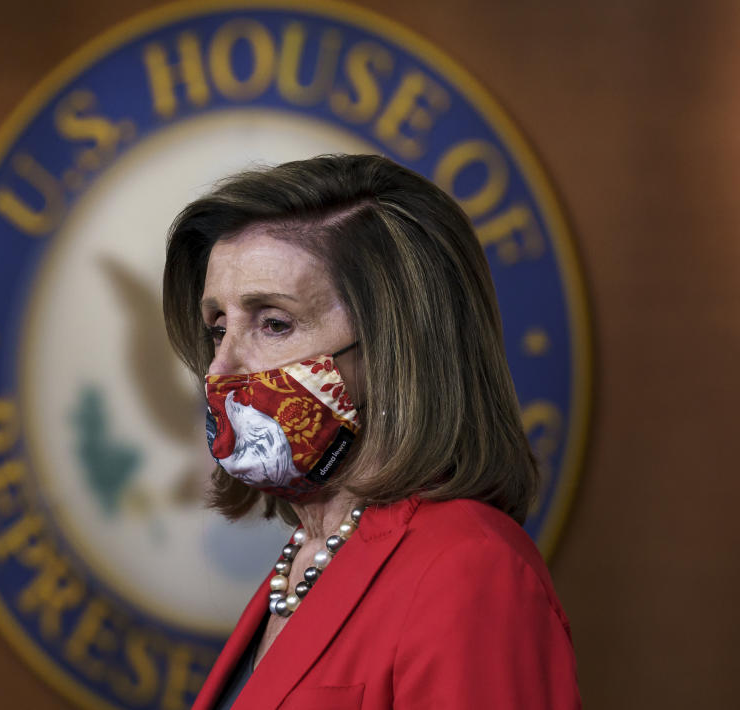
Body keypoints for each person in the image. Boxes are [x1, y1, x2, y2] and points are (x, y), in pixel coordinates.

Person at [162, 154, 580, 709]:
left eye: (274, 323)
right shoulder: (308, 556)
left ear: (396, 350)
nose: (221, 368)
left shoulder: (471, 569)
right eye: (218, 327)